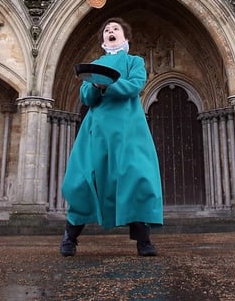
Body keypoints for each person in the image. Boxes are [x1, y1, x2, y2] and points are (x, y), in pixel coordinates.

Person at [60, 18, 163, 258]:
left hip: (128, 130)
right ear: (103, 39)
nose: (110, 31)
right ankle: (70, 236)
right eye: (107, 29)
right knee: (84, 181)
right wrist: (94, 86)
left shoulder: (134, 61)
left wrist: (107, 86)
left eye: (116, 29)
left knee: (135, 178)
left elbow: (135, 85)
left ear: (125, 36)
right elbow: (86, 97)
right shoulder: (95, 64)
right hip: (97, 131)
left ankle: (143, 241)